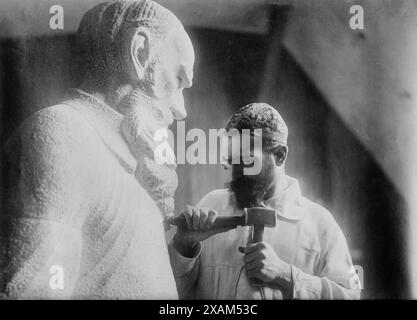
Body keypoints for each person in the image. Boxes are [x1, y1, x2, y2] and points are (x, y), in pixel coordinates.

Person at [0, 0, 194, 298]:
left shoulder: (125, 161)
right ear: (140, 52)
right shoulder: (64, 134)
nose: (181, 110)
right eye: (178, 78)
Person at [168, 103, 361, 299]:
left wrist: (286, 275)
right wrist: (184, 245)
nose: (238, 169)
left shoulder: (320, 225)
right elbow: (172, 293)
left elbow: (351, 296)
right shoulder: (212, 206)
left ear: (279, 155)